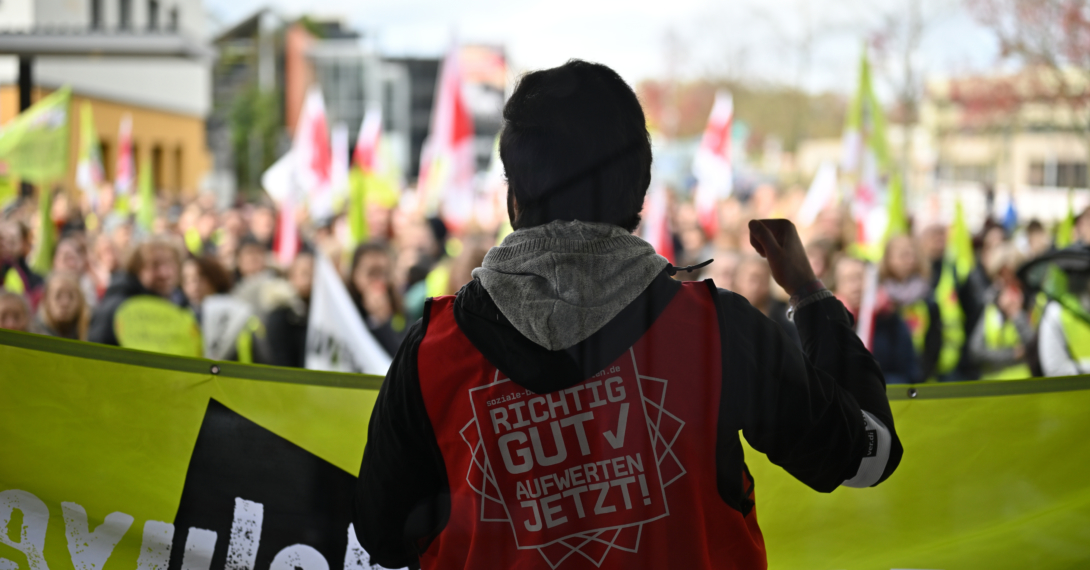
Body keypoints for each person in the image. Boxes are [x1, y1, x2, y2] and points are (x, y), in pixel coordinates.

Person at [354, 60, 902, 570]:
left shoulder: (433, 350)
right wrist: (807, 294)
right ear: (639, 190)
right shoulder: (715, 333)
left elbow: (381, 536)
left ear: (513, 196)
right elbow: (867, 457)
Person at [834, 255, 922, 385]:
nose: (856, 286)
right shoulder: (830, 323)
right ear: (838, 286)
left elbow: (909, 373)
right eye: (848, 279)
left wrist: (874, 383)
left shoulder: (890, 320)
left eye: (860, 278)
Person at [88, 238, 183, 346]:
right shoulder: (118, 305)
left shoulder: (183, 305)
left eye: (170, 263)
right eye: (154, 265)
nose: (164, 273)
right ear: (137, 269)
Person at [880, 235, 943, 381]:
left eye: (912, 255)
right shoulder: (880, 300)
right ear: (888, 259)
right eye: (903, 255)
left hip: (920, 375)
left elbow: (934, 342)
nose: (909, 260)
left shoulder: (927, 297)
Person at [968, 245, 1033, 380]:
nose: (1003, 282)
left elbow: (1034, 346)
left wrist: (1016, 314)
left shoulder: (1032, 302)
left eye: (1008, 276)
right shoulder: (991, 303)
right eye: (999, 276)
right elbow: (976, 350)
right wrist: (1012, 354)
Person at [347, 241, 407, 356]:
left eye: (385, 273)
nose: (379, 281)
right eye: (372, 273)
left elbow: (401, 354)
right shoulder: (345, 307)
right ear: (354, 274)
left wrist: (382, 322)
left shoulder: (399, 308)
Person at [733, 255, 800, 345]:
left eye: (763, 280)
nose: (757, 286)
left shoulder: (783, 324)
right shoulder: (724, 318)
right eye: (752, 279)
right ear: (737, 280)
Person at [265, 248, 314, 368]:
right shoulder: (281, 313)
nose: (310, 279)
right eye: (304, 273)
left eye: (314, 274)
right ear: (291, 277)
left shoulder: (318, 310)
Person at [30, 272, 90, 340]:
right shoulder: (32, 335)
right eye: (58, 296)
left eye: (71, 296)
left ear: (80, 301)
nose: (65, 303)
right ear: (46, 300)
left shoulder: (93, 334)